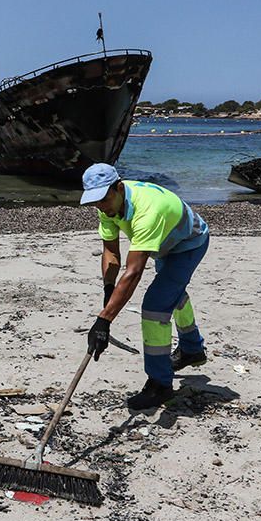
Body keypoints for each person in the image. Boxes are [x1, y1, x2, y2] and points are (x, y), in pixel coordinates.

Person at [81, 163, 209, 410]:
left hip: (189, 243)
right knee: (171, 293)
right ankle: (192, 349)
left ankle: (160, 384)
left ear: (119, 187)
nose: (101, 207)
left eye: (104, 200)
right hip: (163, 242)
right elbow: (110, 251)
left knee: (154, 306)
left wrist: (104, 321)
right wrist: (109, 289)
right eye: (95, 202)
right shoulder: (106, 206)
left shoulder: (147, 211)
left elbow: (134, 272)